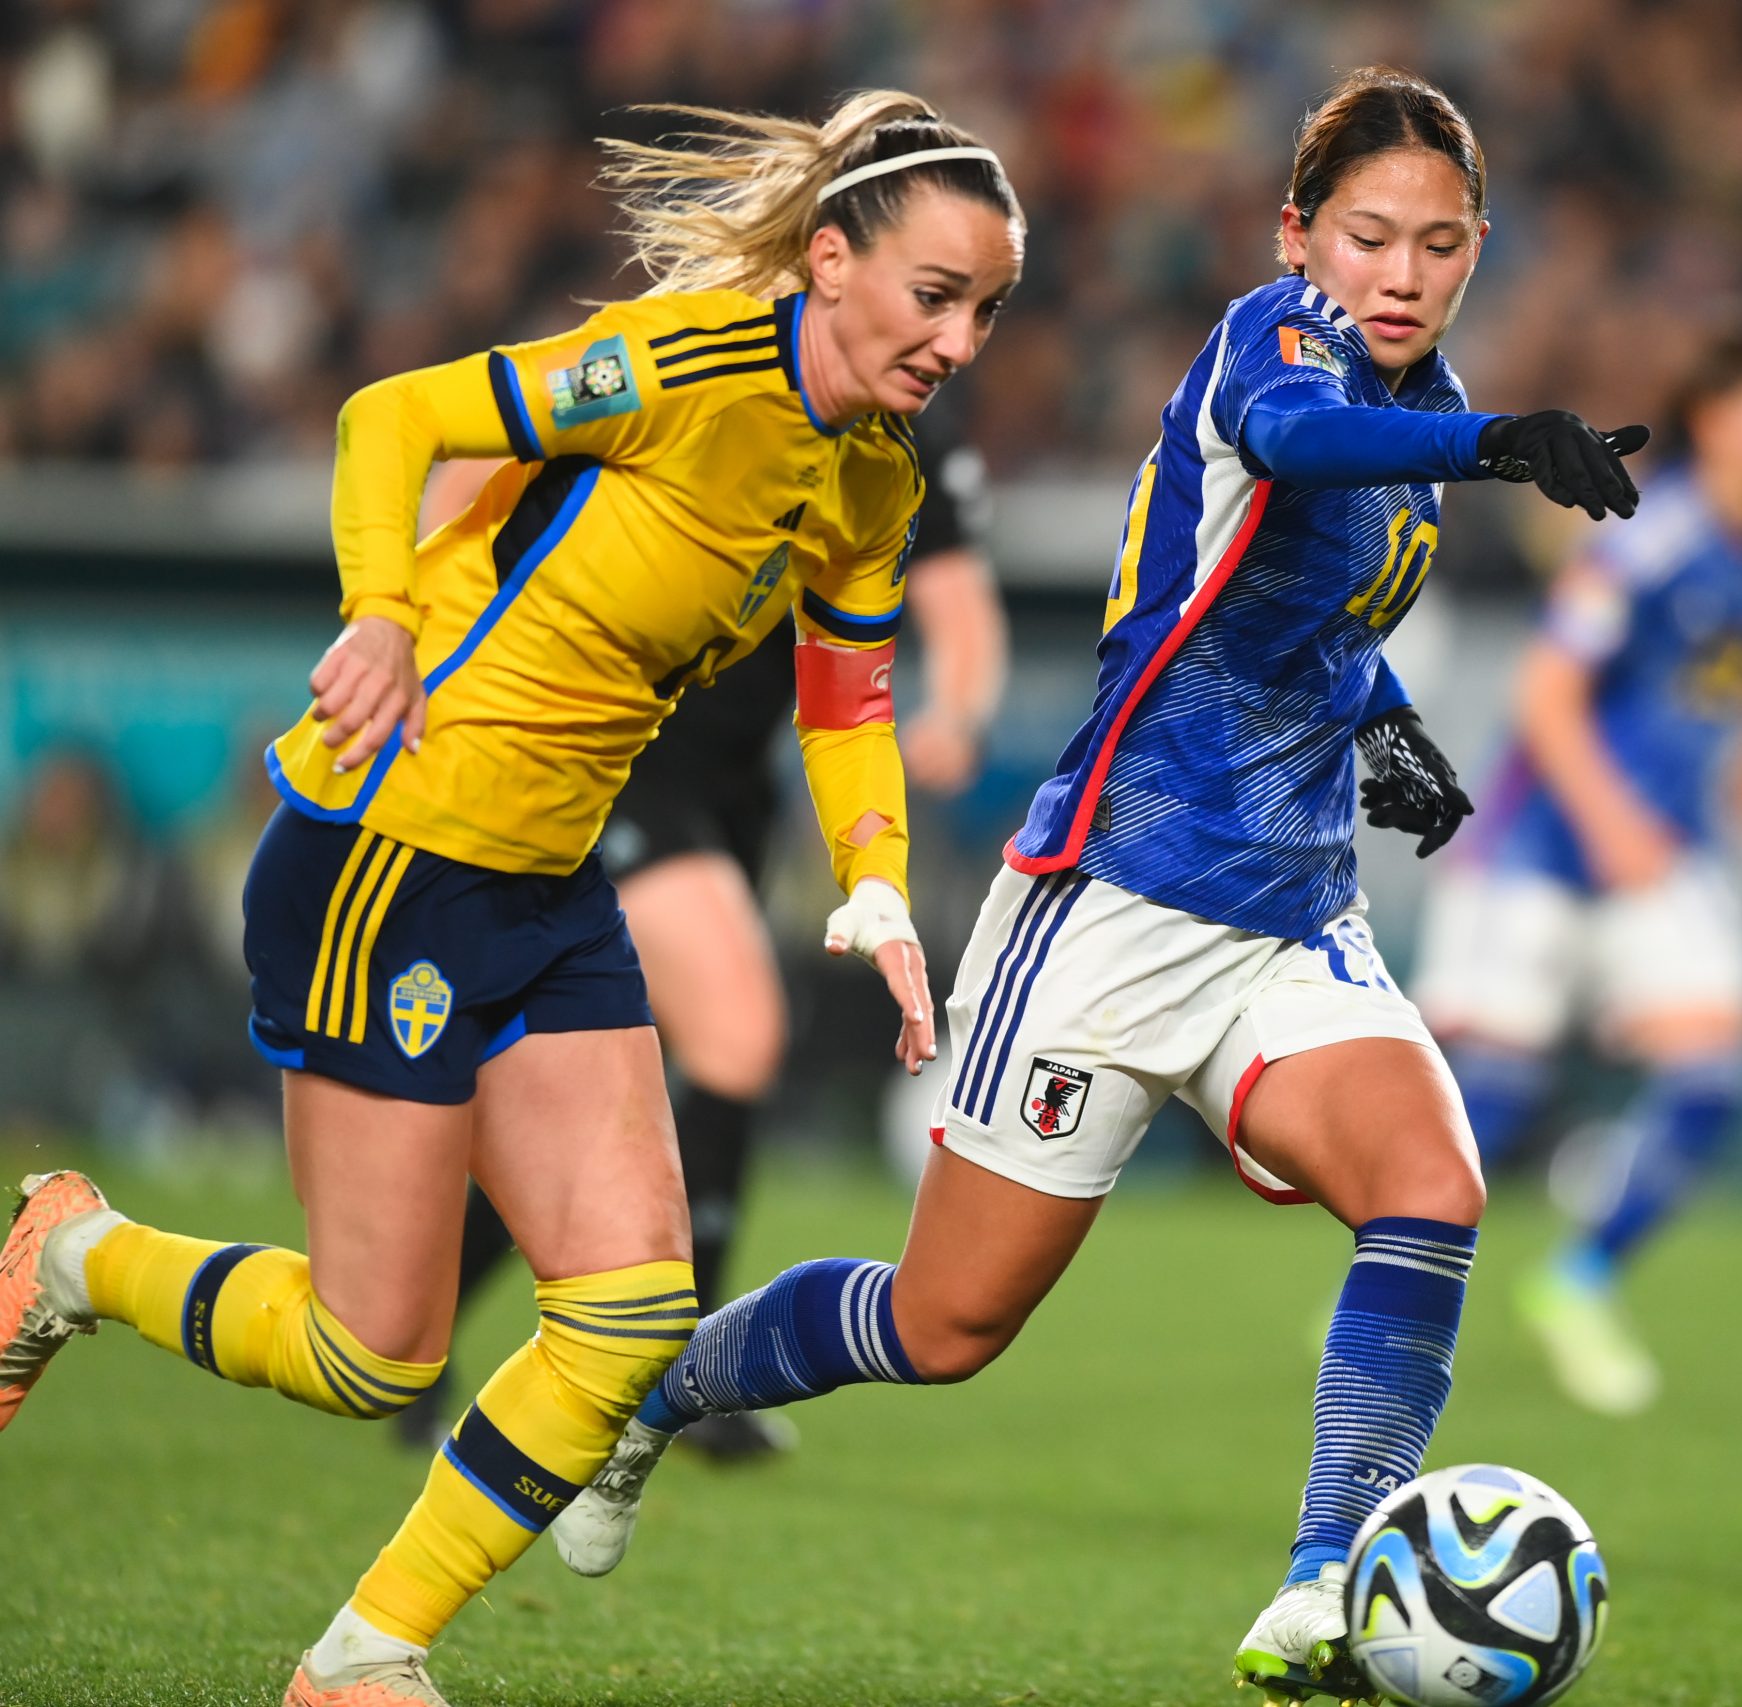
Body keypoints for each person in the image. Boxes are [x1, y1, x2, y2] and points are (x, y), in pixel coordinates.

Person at [542, 66, 1648, 1705]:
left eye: (1440, 243)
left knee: (1432, 1187)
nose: (1402, 273)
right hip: (1113, 904)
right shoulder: (1273, 346)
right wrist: (1495, 446)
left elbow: (1297, 613)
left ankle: (1324, 1582)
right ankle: (657, 1392)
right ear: (1297, 232)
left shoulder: (1424, 406)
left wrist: (1382, 718)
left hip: (1292, 914)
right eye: (1368, 236)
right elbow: (1289, 447)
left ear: (1478, 247)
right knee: (942, 1325)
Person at [0, 92, 1020, 1707]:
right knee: (368, 1352)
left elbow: (847, 698)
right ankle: (72, 1254)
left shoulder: (873, 480)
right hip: (393, 850)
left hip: (551, 882)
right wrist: (382, 611)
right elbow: (391, 417)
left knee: (629, 1311)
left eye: (989, 309)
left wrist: (878, 883)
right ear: (831, 260)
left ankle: (363, 1655)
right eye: (937, 294)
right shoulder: (684, 364)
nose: (960, 340)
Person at [399, 406, 1007, 1462]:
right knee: (737, 1032)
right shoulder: (711, 361)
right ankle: (684, 1385)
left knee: (608, 1096)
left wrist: (954, 713)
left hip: (730, 794)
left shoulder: (909, 436)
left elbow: (958, 607)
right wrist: (414, 621)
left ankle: (412, 1327)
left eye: (970, 325)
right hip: (611, 757)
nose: (947, 343)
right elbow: (478, 444)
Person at [1413, 327, 1742, 1416]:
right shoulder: (1649, 537)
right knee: (1490, 1102)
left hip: (1661, 849)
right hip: (1537, 851)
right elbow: (1544, 692)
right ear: (1718, 421)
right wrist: (1609, 822)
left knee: (1713, 1082)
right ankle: (1393, 1296)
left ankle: (1579, 1279)